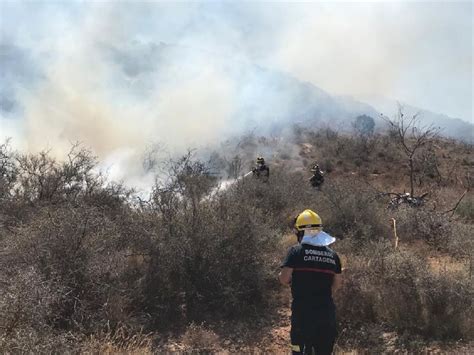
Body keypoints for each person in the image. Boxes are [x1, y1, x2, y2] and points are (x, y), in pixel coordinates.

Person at [279, 209, 342, 355]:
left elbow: (284, 279)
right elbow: (337, 284)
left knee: (298, 351)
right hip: (326, 313)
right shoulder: (333, 255)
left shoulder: (295, 252)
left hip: (303, 314)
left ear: (300, 232)